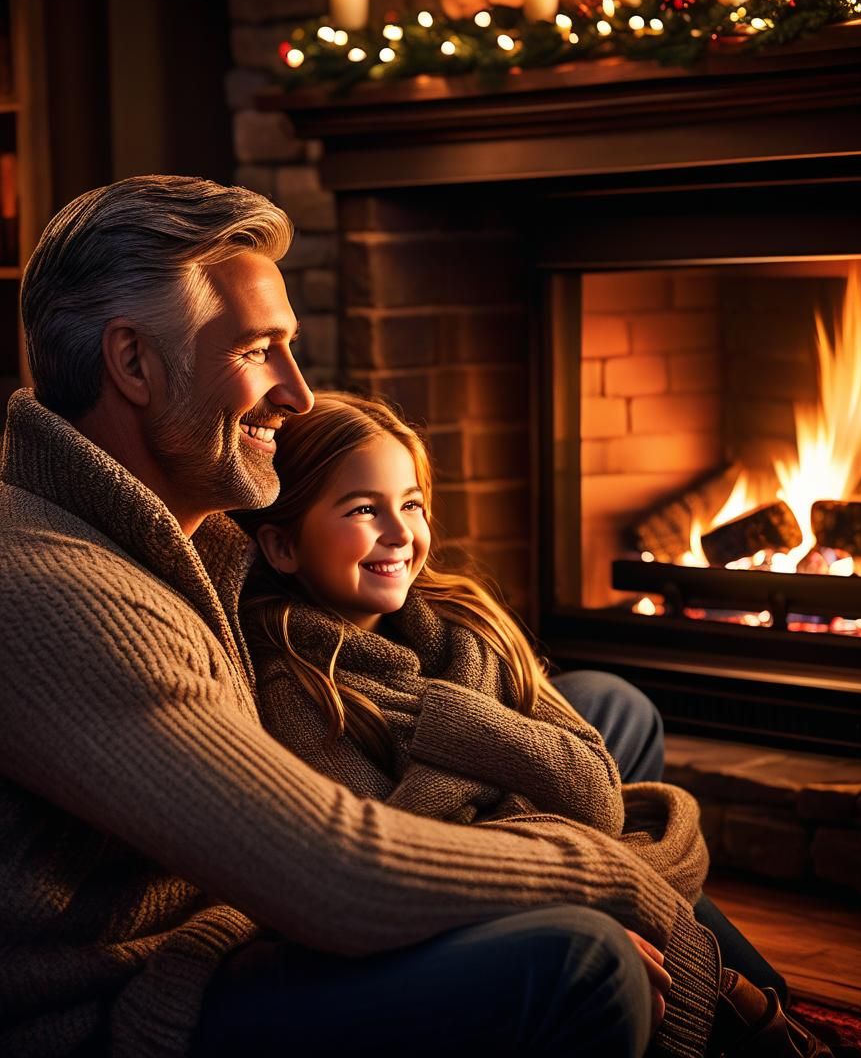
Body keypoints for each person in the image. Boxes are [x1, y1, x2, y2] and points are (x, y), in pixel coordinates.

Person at [0, 175, 819, 1058]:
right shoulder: (56, 590)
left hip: (240, 927)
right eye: (259, 350)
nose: (297, 394)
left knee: (603, 711)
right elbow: (333, 872)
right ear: (132, 364)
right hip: (143, 1007)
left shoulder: (181, 533)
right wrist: (604, 872)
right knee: (585, 959)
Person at [235, 390, 831, 1058]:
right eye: (363, 510)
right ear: (283, 545)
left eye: (412, 504)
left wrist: (452, 730)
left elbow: (597, 798)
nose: (400, 533)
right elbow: (401, 859)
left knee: (760, 981)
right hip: (468, 898)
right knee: (723, 995)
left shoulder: (465, 626)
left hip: (539, 847)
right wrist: (503, 771)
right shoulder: (299, 692)